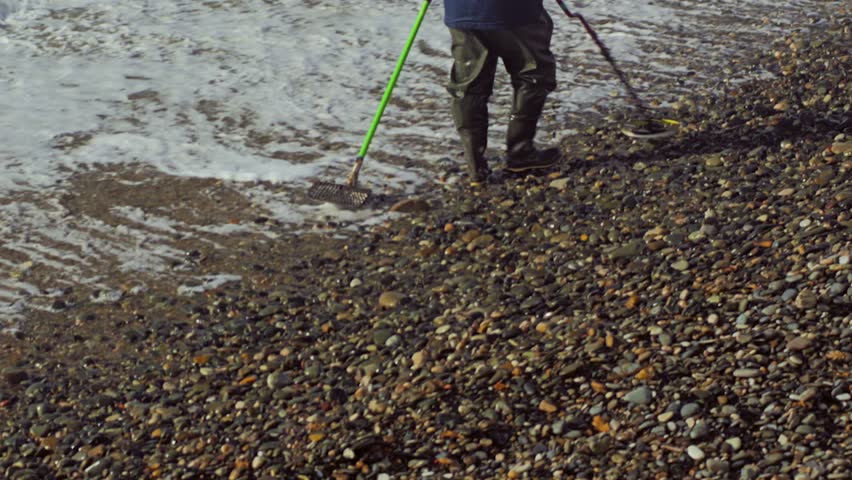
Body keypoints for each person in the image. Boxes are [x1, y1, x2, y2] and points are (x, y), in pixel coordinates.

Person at [444, 0, 562, 182]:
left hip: (461, 10)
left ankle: (475, 167)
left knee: (469, 86)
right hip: (514, 10)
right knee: (533, 74)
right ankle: (520, 152)